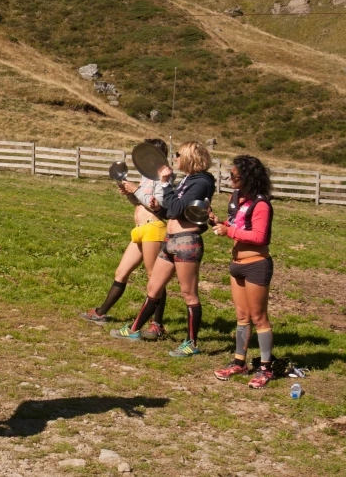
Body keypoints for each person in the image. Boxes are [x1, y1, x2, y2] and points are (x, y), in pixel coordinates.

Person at [113, 141, 215, 357]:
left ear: (189, 157)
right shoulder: (188, 180)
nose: (175, 158)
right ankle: (133, 331)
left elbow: (178, 208)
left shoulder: (202, 181)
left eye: (178, 154)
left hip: (186, 242)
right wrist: (160, 206)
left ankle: (191, 343)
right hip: (171, 240)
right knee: (153, 287)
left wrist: (166, 184)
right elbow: (171, 209)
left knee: (189, 294)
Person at [80, 138, 172, 341]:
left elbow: (160, 206)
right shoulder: (147, 176)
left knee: (154, 278)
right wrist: (129, 194)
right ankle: (100, 312)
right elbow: (141, 201)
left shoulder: (163, 177)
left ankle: (156, 325)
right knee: (121, 272)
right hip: (139, 230)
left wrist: (135, 190)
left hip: (154, 229)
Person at [210, 156, 276, 388]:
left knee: (259, 318)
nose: (230, 179)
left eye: (234, 176)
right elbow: (237, 227)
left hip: (256, 264)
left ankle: (266, 368)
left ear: (247, 177)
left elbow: (259, 237)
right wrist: (219, 223)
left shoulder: (261, 204)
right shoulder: (236, 198)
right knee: (241, 317)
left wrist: (228, 233)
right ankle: (240, 362)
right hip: (236, 263)